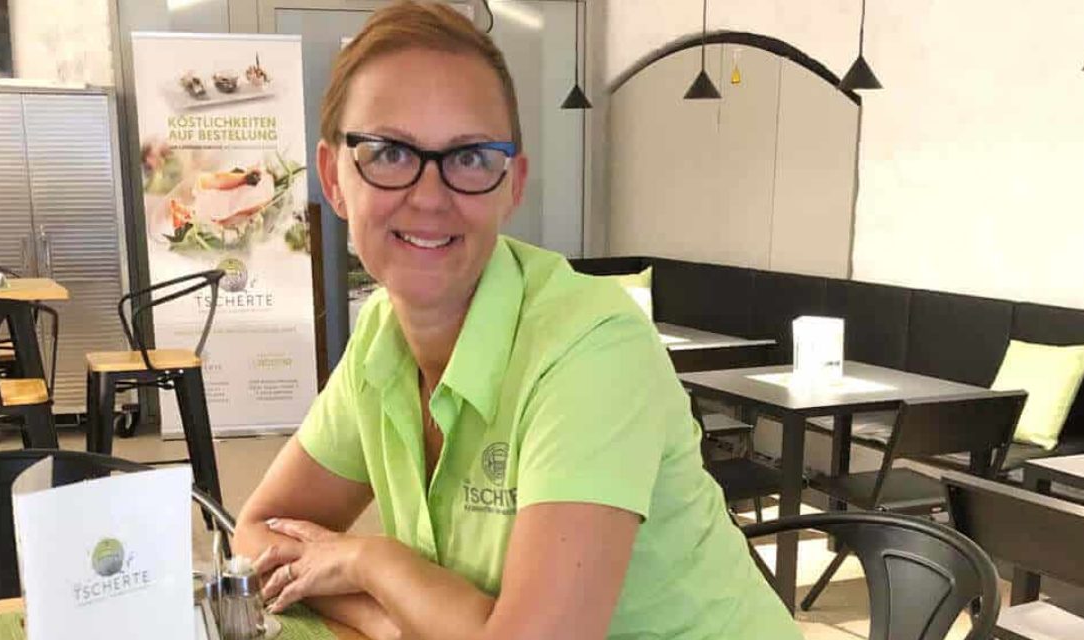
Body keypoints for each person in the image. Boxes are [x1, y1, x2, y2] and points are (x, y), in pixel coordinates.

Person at [233, 2, 801, 639]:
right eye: (389, 152)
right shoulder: (380, 335)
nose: (429, 195)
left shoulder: (591, 348)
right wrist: (391, 623)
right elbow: (257, 534)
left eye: (470, 157)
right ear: (333, 178)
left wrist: (373, 561)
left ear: (513, 184)